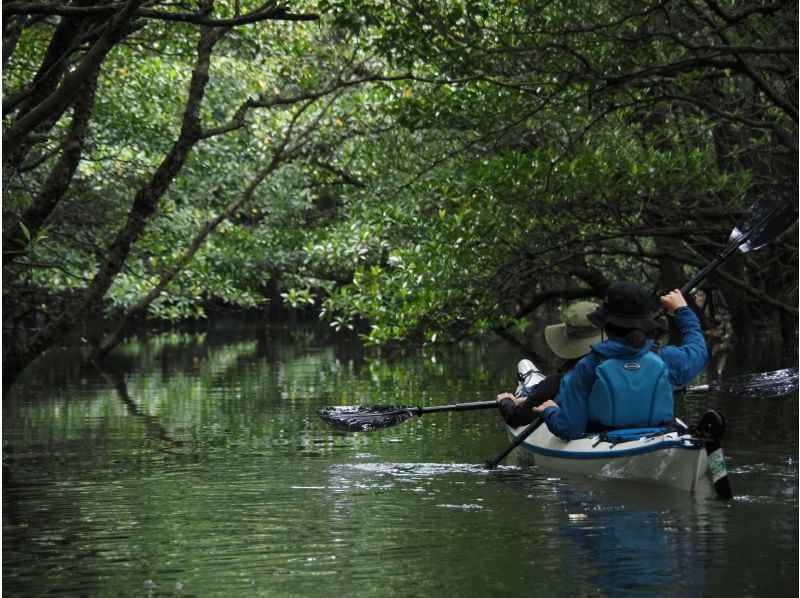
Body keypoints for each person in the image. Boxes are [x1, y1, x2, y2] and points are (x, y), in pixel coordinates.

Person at [532, 282, 708, 440]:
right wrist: (682, 310)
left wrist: (550, 411)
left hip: (602, 443)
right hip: (658, 438)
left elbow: (571, 429)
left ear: (606, 326)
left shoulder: (587, 366)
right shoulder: (666, 358)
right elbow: (699, 350)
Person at [496, 301, 602, 427]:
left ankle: (529, 392)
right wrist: (533, 400)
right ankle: (530, 394)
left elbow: (516, 418)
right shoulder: (616, 368)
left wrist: (506, 402)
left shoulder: (554, 384)